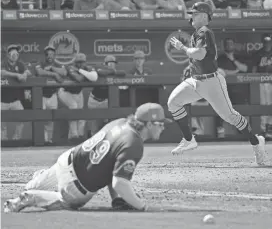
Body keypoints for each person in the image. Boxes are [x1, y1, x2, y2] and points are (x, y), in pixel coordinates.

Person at [4, 103, 171, 213]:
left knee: (31, 184)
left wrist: (117, 199)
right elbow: (119, 183)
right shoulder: (134, 143)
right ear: (149, 124)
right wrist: (142, 206)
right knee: (68, 203)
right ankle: (32, 197)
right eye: (161, 124)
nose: (163, 128)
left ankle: (37, 181)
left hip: (68, 159)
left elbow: (109, 163)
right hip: (75, 188)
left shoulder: (120, 122)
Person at [167, 2, 267, 166]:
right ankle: (189, 139)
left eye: (195, 13)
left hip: (212, 82)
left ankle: (256, 143)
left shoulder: (205, 31)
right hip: (196, 80)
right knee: (173, 102)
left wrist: (182, 48)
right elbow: (198, 59)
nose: (191, 15)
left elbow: (200, 54)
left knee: (230, 116)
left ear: (205, 16)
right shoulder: (196, 34)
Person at [35, 45, 67, 144]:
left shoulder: (56, 64)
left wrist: (52, 68)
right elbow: (39, 72)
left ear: (54, 55)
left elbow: (64, 72)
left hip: (53, 95)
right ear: (45, 55)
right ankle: (42, 140)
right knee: (41, 119)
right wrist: (54, 74)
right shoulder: (41, 63)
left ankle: (49, 140)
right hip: (41, 95)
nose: (50, 56)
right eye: (48, 54)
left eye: (52, 54)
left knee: (51, 120)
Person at [252, 33, 272, 139]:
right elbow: (254, 70)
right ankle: (264, 130)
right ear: (262, 41)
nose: (267, 42)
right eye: (265, 40)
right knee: (264, 105)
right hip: (262, 82)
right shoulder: (258, 53)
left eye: (269, 40)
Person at [1, 44, 32, 140]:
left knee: (22, 118)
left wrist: (25, 74)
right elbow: (1, 72)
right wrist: (17, 75)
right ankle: (3, 139)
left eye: (17, 53)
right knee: (1, 121)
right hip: (3, 100)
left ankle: (16, 138)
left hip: (15, 100)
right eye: (13, 53)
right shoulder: (3, 63)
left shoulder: (20, 64)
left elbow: (28, 71)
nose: (15, 55)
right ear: (8, 55)